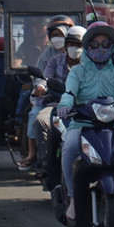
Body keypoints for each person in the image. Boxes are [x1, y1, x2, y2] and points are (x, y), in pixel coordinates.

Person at [56, 23, 114, 222]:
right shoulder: (77, 72)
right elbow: (69, 93)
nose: (100, 49)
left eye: (105, 44)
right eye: (95, 45)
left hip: (112, 126)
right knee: (70, 146)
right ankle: (73, 197)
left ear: (112, 47)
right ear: (87, 47)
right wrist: (65, 105)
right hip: (82, 124)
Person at [35, 25, 84, 187]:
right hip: (57, 107)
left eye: (78, 45)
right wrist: (41, 87)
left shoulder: (91, 65)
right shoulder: (55, 61)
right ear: (66, 44)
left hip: (84, 109)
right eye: (71, 44)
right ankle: (46, 165)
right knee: (41, 120)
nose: (74, 48)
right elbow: (45, 78)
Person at [22, 16, 74, 169]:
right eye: (54, 35)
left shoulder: (84, 58)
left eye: (60, 34)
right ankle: (34, 154)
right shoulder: (50, 56)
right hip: (51, 98)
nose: (57, 38)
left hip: (75, 100)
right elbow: (43, 76)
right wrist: (41, 87)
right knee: (36, 117)